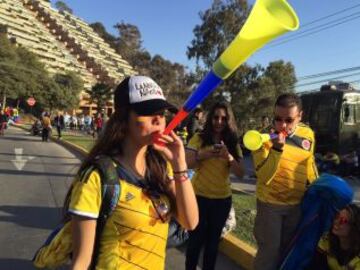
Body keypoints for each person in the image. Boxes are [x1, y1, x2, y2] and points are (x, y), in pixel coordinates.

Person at [65, 75, 198, 269]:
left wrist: (179, 164)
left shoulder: (161, 168)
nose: (158, 120)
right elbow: (81, 262)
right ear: (123, 118)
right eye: (148, 112)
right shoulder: (96, 177)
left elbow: (190, 222)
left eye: (161, 113)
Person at [252, 93, 319, 270]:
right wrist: (276, 149)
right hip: (270, 206)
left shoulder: (308, 134)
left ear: (300, 116)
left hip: (296, 205)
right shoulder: (261, 138)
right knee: (269, 254)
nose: (282, 125)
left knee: (287, 251)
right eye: (278, 119)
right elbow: (264, 176)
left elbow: (309, 164)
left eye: (289, 120)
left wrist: (316, 185)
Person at [185, 101, 244, 270]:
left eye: (224, 118)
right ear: (210, 118)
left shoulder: (232, 142)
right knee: (195, 243)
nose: (219, 122)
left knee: (212, 245)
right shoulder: (199, 138)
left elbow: (241, 173)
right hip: (198, 198)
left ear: (228, 120)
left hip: (222, 201)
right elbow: (186, 163)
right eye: (216, 117)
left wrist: (229, 157)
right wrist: (202, 155)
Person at [307, 204, 360, 269]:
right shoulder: (326, 240)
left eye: (343, 220)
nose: (336, 222)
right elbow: (316, 266)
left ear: (354, 226)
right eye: (336, 217)